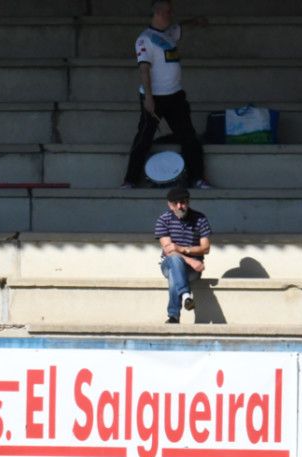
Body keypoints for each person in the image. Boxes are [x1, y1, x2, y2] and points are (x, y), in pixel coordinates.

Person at [121, 0, 210, 189]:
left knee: (189, 137)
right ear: (159, 13)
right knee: (144, 138)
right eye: (169, 12)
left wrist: (195, 21)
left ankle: (197, 178)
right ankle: (130, 180)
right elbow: (144, 69)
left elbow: (180, 26)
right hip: (155, 96)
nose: (171, 15)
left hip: (175, 95)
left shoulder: (169, 33)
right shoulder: (144, 39)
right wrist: (149, 98)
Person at [155, 186, 210, 324]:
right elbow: (169, 250)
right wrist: (190, 260)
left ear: (188, 201)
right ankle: (186, 295)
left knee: (175, 274)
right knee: (174, 260)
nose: (180, 206)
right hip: (170, 264)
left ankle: (174, 316)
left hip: (192, 270)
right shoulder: (163, 220)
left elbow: (206, 248)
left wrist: (183, 249)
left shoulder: (200, 218)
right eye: (175, 203)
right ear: (169, 204)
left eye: (183, 202)